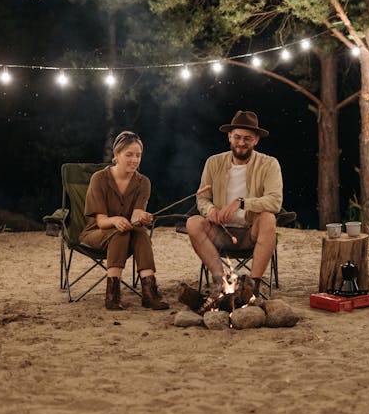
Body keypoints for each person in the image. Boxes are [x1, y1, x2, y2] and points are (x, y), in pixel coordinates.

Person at [186, 110, 283, 294]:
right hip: (220, 232)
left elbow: (275, 201)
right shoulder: (213, 163)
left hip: (250, 232)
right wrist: (211, 210)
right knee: (193, 223)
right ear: (229, 136)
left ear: (256, 140)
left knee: (269, 219)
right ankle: (221, 280)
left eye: (247, 138)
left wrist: (242, 202)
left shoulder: (269, 164)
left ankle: (252, 287)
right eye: (237, 137)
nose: (241, 142)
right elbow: (202, 198)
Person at [79, 131, 169, 311]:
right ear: (116, 155)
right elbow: (102, 221)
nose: (134, 160)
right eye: (129, 155)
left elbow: (136, 216)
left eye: (138, 155)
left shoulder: (143, 182)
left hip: (127, 233)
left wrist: (142, 217)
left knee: (141, 232)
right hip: (96, 233)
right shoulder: (99, 179)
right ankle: (112, 295)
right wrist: (116, 220)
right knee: (120, 233)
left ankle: (149, 293)